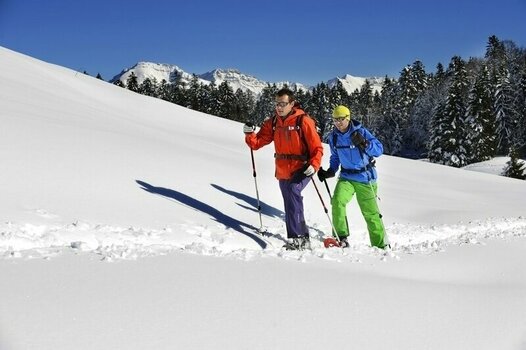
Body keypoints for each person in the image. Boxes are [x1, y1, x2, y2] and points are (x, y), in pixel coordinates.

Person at [243, 88, 323, 250]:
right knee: (290, 203)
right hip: (283, 170)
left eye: (283, 104)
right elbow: (256, 143)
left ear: (292, 104)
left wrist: (314, 165)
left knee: (294, 192)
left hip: (303, 168)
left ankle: (298, 238)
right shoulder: (273, 122)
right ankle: (302, 236)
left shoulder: (303, 121)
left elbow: (317, 148)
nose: (279, 107)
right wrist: (249, 133)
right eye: (277, 103)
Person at [317, 105, 387, 249]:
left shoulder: (360, 132)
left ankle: (380, 246)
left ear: (348, 118)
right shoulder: (334, 137)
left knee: (370, 214)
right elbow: (335, 156)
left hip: (365, 177)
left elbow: (379, 150)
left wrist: (365, 144)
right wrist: (331, 171)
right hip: (346, 177)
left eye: (341, 119)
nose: (338, 123)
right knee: (337, 201)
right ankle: (341, 238)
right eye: (335, 120)